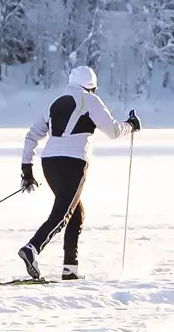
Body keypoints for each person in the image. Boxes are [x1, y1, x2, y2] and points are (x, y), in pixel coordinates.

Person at [17, 65, 140, 280]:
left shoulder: (55, 103)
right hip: (73, 163)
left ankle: (70, 270)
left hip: (49, 164)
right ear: (92, 86)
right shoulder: (90, 101)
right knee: (64, 213)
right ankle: (32, 248)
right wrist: (131, 125)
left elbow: (32, 136)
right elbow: (112, 131)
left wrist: (27, 170)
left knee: (75, 212)